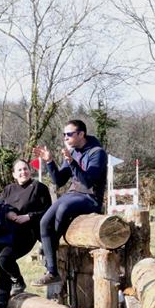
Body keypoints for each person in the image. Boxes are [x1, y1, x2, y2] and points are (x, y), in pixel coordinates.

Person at [30, 119, 108, 286]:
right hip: (72, 194)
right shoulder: (71, 152)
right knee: (44, 221)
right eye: (64, 134)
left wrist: (73, 163)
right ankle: (52, 271)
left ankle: (50, 243)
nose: (65, 137)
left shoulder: (97, 153)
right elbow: (59, 181)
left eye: (69, 134)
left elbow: (88, 182)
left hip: (90, 198)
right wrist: (49, 161)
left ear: (81, 134)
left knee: (63, 207)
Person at [0, 159, 52, 308]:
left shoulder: (39, 188)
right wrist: (8, 214)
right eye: (19, 170)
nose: (23, 172)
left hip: (27, 233)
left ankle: (18, 281)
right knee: (3, 268)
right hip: (7, 234)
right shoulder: (9, 189)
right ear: (14, 174)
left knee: (5, 259)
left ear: (30, 171)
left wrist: (28, 216)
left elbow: (49, 210)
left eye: (25, 169)